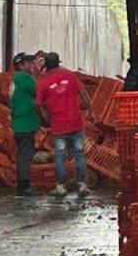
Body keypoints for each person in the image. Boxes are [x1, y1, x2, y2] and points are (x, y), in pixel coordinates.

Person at [36, 52, 90, 197]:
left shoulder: (44, 82)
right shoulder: (70, 76)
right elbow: (83, 93)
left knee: (60, 156)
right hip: (76, 124)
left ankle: (60, 187)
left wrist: (47, 119)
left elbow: (39, 104)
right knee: (79, 154)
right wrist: (88, 107)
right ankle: (82, 185)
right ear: (58, 63)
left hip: (58, 127)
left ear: (46, 66)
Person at [10, 53, 41, 196]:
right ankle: (24, 186)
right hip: (25, 124)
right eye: (28, 63)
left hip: (20, 123)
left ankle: (24, 185)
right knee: (25, 155)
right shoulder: (24, 78)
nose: (31, 65)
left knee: (24, 154)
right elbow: (40, 92)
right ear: (21, 65)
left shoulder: (17, 79)